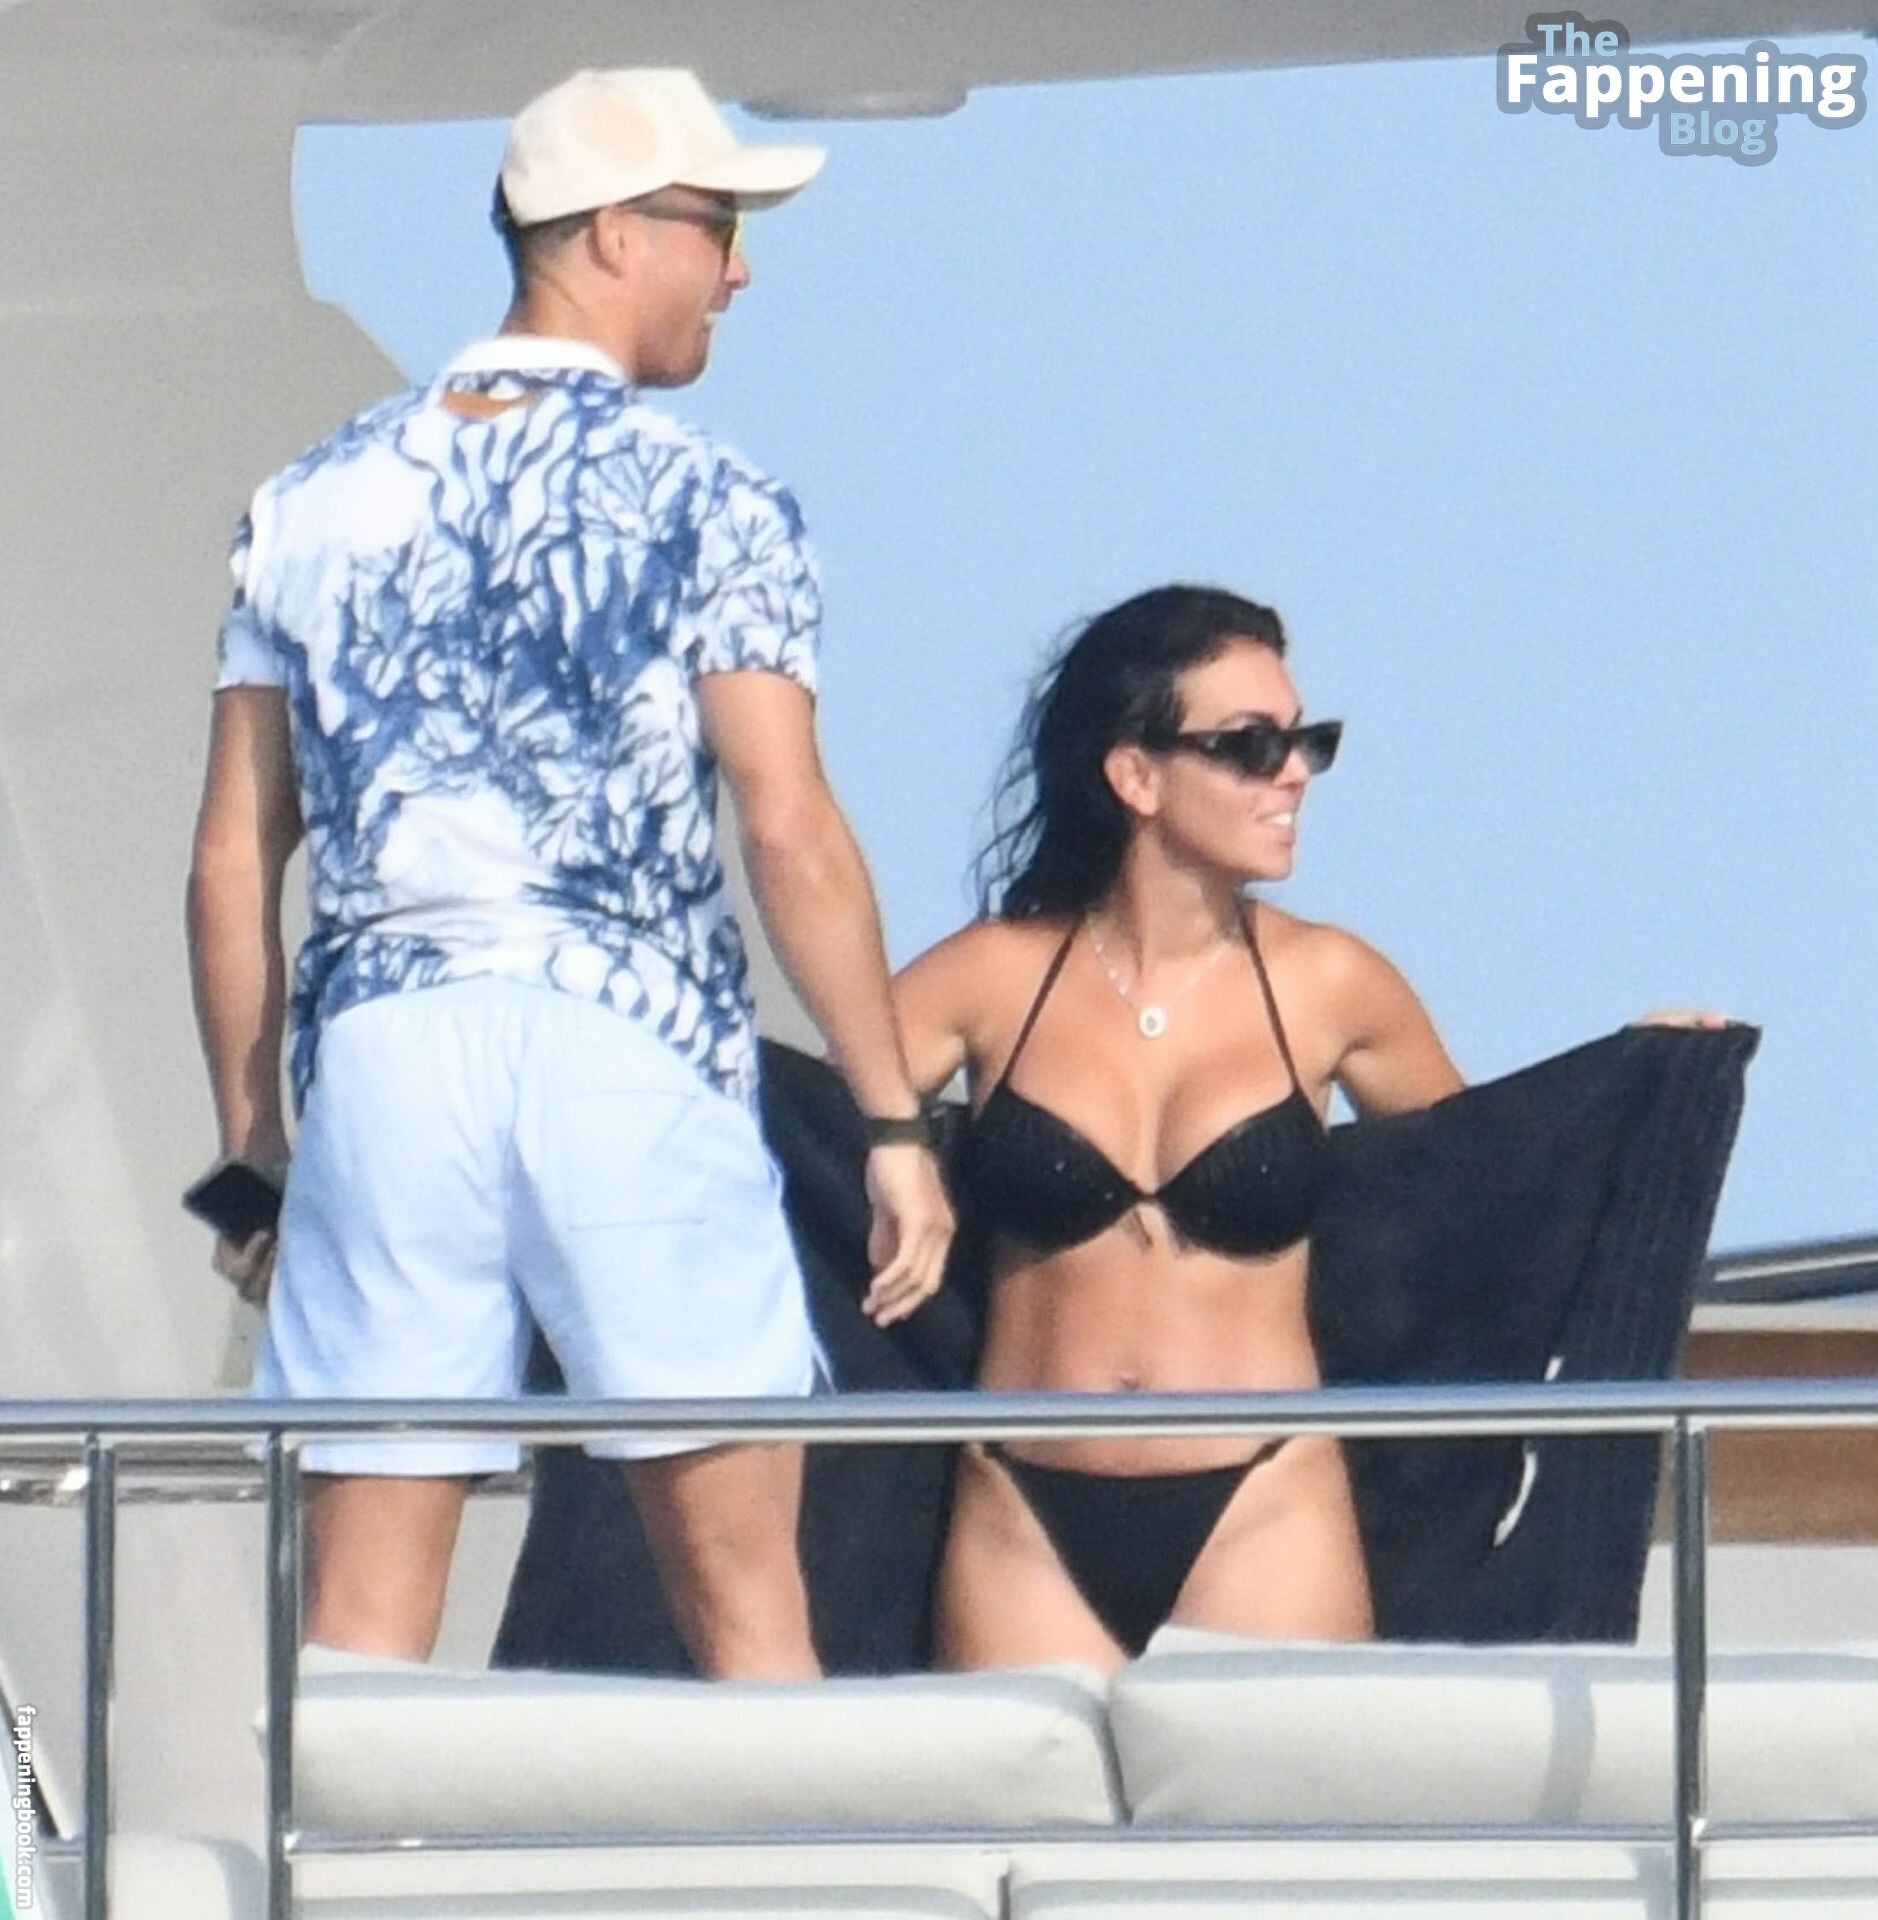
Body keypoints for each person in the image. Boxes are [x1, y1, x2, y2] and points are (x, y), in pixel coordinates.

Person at [186, 67, 952, 1678]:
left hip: (389, 1054)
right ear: (614, 233)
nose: (739, 268)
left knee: (359, 1636)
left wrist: (256, 1155)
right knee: (747, 1610)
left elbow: (233, 857)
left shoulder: (308, 498)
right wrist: (891, 1122)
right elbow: (788, 823)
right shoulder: (710, 495)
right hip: (628, 1041)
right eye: (719, 224)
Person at [890, 584, 1725, 1670]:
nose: (1292, 773)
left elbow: (1486, 1175)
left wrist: (1636, 1079)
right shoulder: (992, 976)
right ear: (1135, 775)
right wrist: (898, 1152)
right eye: (1251, 746)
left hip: (1265, 1503)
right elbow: (805, 1119)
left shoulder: (1330, 982)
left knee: (1293, 1789)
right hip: (1023, 1508)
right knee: (1012, 1789)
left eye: (1305, 742)